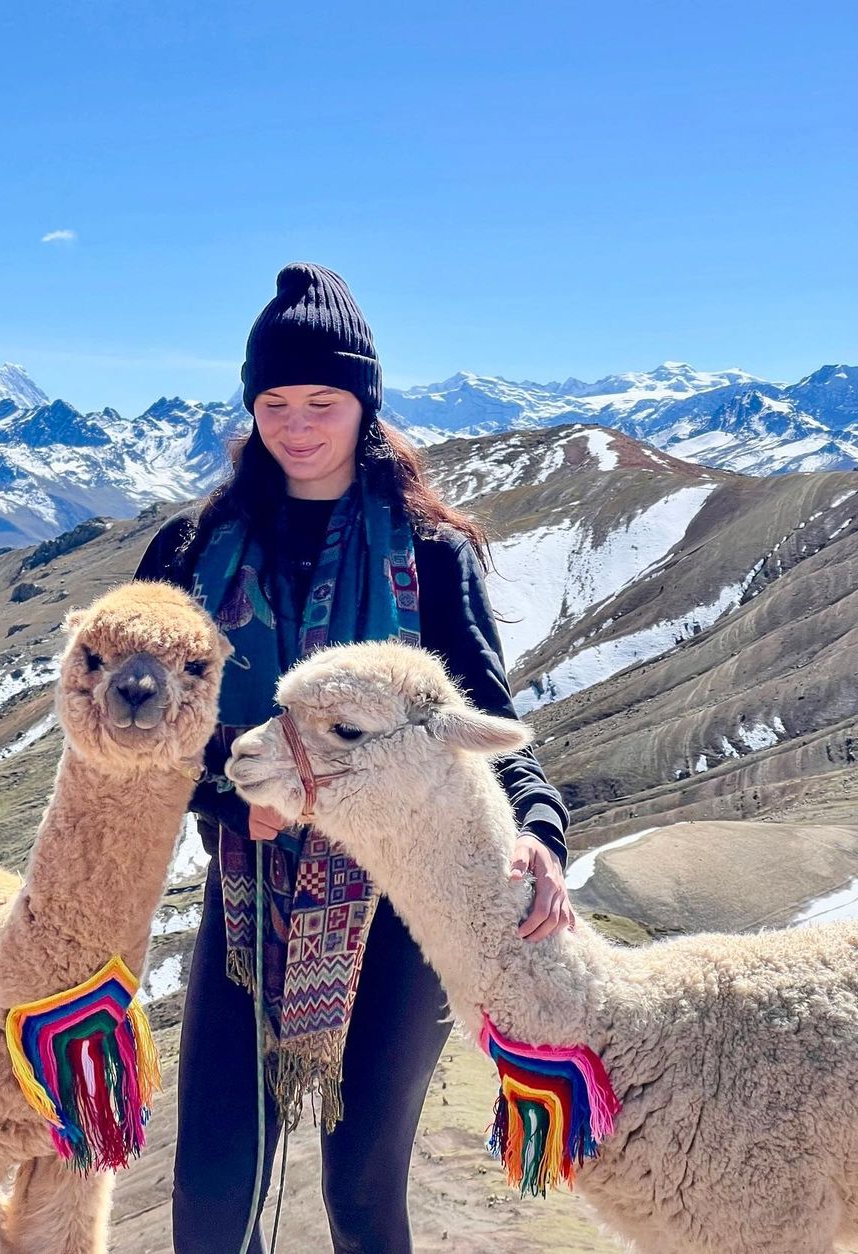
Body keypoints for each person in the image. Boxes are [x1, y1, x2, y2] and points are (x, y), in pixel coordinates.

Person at [135, 261, 574, 1254]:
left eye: (321, 400)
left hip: (399, 901)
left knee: (363, 1190)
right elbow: (148, 726)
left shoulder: (426, 553)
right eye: (275, 401)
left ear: (363, 404)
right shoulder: (191, 550)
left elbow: (477, 713)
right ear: (251, 406)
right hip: (250, 885)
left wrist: (539, 830)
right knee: (214, 1201)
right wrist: (225, 795)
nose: (296, 424)